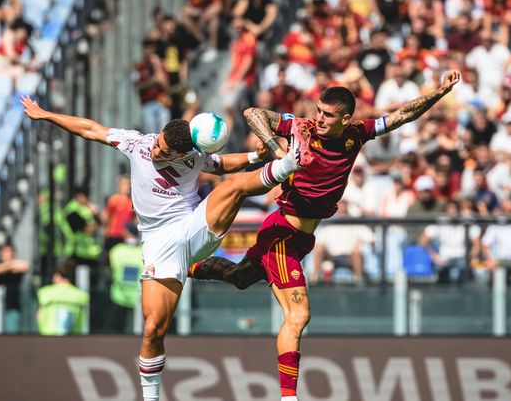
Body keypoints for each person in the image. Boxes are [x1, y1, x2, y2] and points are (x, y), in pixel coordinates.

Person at [189, 70, 461, 401]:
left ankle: (188, 268)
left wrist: (439, 93)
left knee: (240, 277)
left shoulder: (357, 134)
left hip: (301, 238)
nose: (318, 118)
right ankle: (289, 398)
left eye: (328, 115)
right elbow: (253, 114)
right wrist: (277, 148)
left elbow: (402, 114)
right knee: (299, 314)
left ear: (345, 119)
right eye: (318, 110)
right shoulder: (299, 128)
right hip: (282, 234)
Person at [21, 93, 312, 401]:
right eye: (158, 142)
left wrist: (255, 158)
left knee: (232, 187)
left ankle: (290, 162)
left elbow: (222, 164)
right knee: (152, 330)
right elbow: (91, 129)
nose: (155, 149)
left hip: (193, 226)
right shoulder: (138, 144)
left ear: (181, 153)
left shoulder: (195, 157)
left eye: (163, 149)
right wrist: (46, 114)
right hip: (157, 242)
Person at [36, 259, 89, 335]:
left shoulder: (45, 293)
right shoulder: (81, 296)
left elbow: (39, 317)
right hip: (72, 340)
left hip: (48, 337)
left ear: (57, 275)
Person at [109, 223, 143, 333]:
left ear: (125, 233)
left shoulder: (116, 250)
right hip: (138, 296)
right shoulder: (144, 251)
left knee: (118, 330)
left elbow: (112, 267)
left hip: (118, 294)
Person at [0, 242, 29, 333]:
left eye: (11, 251)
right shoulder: (2, 265)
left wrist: (6, 266)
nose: (9, 254)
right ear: (1, 253)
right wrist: (9, 265)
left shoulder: (14, 266)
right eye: (6, 251)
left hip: (13, 306)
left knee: (12, 332)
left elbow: (25, 266)